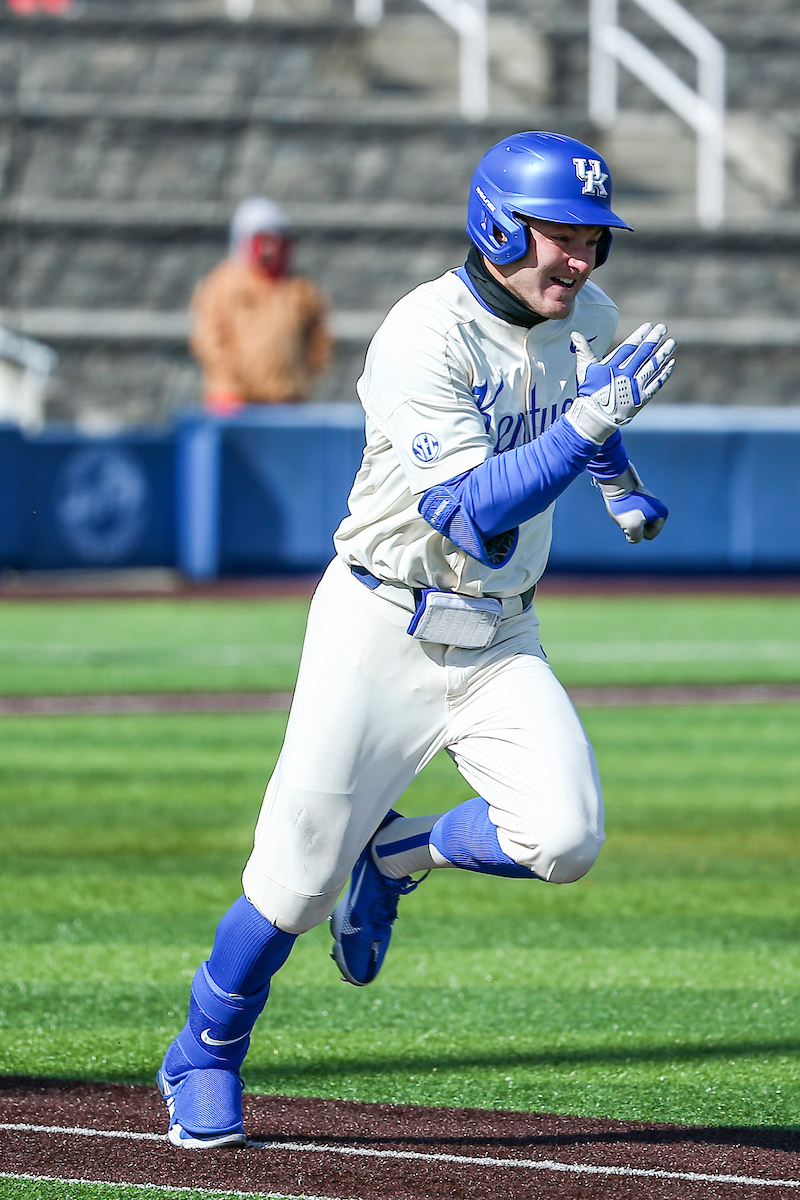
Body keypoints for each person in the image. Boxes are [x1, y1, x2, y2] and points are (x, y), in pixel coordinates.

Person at [157, 130, 676, 1148]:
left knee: (562, 838)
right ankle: (203, 1052)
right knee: (293, 886)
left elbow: (588, 418)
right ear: (493, 225)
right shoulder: (418, 333)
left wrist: (617, 487)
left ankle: (398, 852)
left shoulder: (588, 317)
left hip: (498, 635)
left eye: (591, 239)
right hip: (378, 623)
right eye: (558, 236)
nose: (579, 259)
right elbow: (470, 511)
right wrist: (583, 431)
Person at [190, 196, 333, 416]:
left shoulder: (300, 287)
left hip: (287, 404)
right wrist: (232, 387)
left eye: (279, 242)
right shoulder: (223, 284)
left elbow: (319, 337)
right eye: (264, 241)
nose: (272, 250)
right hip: (235, 406)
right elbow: (209, 340)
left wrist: (297, 381)